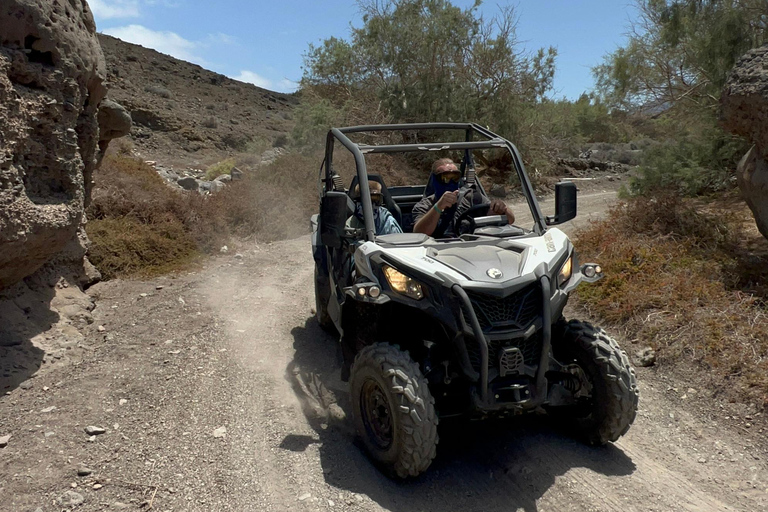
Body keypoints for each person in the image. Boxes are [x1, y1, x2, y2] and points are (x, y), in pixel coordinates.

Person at [413, 158, 514, 238]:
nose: (451, 182)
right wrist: (438, 207)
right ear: (435, 181)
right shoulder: (424, 205)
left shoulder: (471, 197)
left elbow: (510, 220)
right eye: (446, 177)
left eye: (455, 177)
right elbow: (419, 232)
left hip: (469, 247)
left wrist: (501, 208)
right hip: (436, 252)